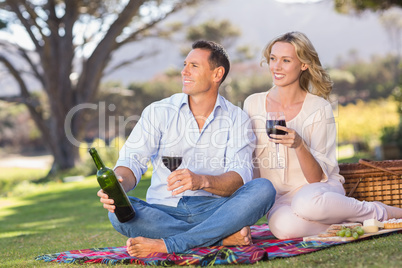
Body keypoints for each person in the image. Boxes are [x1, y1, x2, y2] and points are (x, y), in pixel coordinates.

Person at [97, 40, 276, 257]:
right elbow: (131, 161)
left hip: (214, 211)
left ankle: (171, 244)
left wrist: (202, 181)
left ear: (217, 74)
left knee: (263, 189)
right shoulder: (158, 111)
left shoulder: (237, 118)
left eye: (194, 66)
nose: (184, 72)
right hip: (163, 211)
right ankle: (220, 238)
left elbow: (240, 177)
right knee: (119, 213)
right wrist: (119, 185)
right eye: (185, 65)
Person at [243, 31, 402, 239]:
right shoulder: (252, 104)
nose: (276, 67)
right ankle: (352, 224)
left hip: (319, 192)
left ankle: (380, 212)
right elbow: (248, 159)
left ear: (304, 65)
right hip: (280, 198)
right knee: (283, 228)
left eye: (286, 60)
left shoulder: (318, 108)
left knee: (306, 203)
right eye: (273, 59)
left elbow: (316, 177)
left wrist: (299, 145)